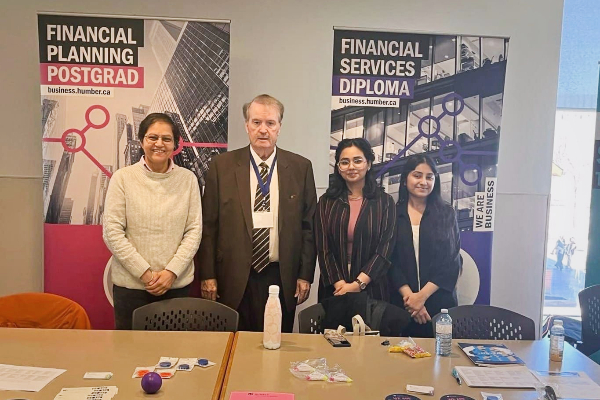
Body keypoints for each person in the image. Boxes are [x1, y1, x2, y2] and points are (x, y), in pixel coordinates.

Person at [195, 94, 317, 333]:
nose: (263, 130)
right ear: (246, 126)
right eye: (256, 122)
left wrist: (305, 275)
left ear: (279, 127)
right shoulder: (222, 166)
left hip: (282, 275)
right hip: (233, 275)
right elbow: (209, 226)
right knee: (234, 346)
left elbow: (308, 227)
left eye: (270, 123)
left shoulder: (301, 168)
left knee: (277, 345)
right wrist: (207, 274)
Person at [103, 113, 202, 330]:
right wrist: (145, 273)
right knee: (130, 355)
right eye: (152, 138)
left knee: (173, 356)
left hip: (175, 286)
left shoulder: (188, 179)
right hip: (132, 288)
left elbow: (194, 231)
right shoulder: (122, 178)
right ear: (141, 141)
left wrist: (171, 273)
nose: (159, 144)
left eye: (166, 139)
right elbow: (112, 232)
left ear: (175, 144)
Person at [389, 155, 461, 337]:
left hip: (439, 306)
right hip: (401, 305)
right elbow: (390, 261)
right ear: (405, 179)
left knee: (439, 361)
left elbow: (452, 262)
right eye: (417, 175)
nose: (423, 182)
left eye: (429, 177)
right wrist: (411, 299)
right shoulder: (392, 214)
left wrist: (421, 298)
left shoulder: (446, 214)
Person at [315, 138, 396, 302]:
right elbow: (323, 248)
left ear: (369, 164)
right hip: (334, 289)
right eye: (344, 162)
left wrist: (358, 284)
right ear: (338, 167)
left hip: (373, 288)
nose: (351, 167)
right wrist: (340, 284)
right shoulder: (326, 202)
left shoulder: (385, 202)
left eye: (357, 160)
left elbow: (385, 249)